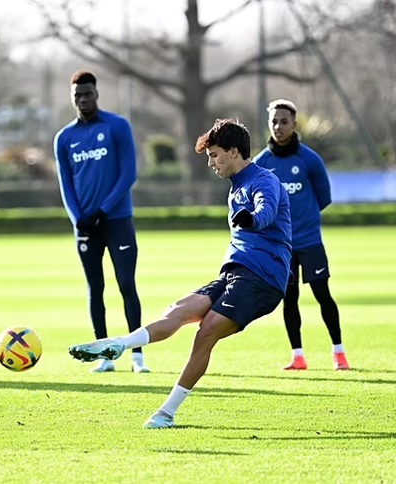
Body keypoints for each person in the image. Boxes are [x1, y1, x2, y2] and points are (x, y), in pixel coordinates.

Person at [68, 118, 292, 429]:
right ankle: (121, 343)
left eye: (214, 155)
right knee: (179, 309)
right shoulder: (236, 186)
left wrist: (250, 219)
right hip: (235, 273)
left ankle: (166, 413)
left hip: (263, 279)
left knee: (207, 331)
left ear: (233, 151)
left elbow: (265, 211)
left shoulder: (263, 181)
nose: (211, 163)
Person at [53, 70, 149, 374]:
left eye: (87, 94)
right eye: (77, 96)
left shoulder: (117, 126)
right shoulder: (64, 137)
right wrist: (78, 218)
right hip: (85, 226)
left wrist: (103, 210)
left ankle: (137, 356)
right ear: (72, 98)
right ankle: (104, 357)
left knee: (126, 285)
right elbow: (65, 184)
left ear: (96, 94)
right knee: (95, 288)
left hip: (117, 219)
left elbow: (128, 174)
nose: (82, 100)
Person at [254, 99, 349, 371]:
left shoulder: (309, 159)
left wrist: (303, 221)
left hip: (309, 242)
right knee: (289, 298)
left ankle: (338, 352)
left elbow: (324, 198)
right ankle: (298, 356)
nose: (278, 126)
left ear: (294, 125)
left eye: (284, 122)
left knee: (323, 295)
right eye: (274, 121)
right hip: (282, 246)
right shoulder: (262, 163)